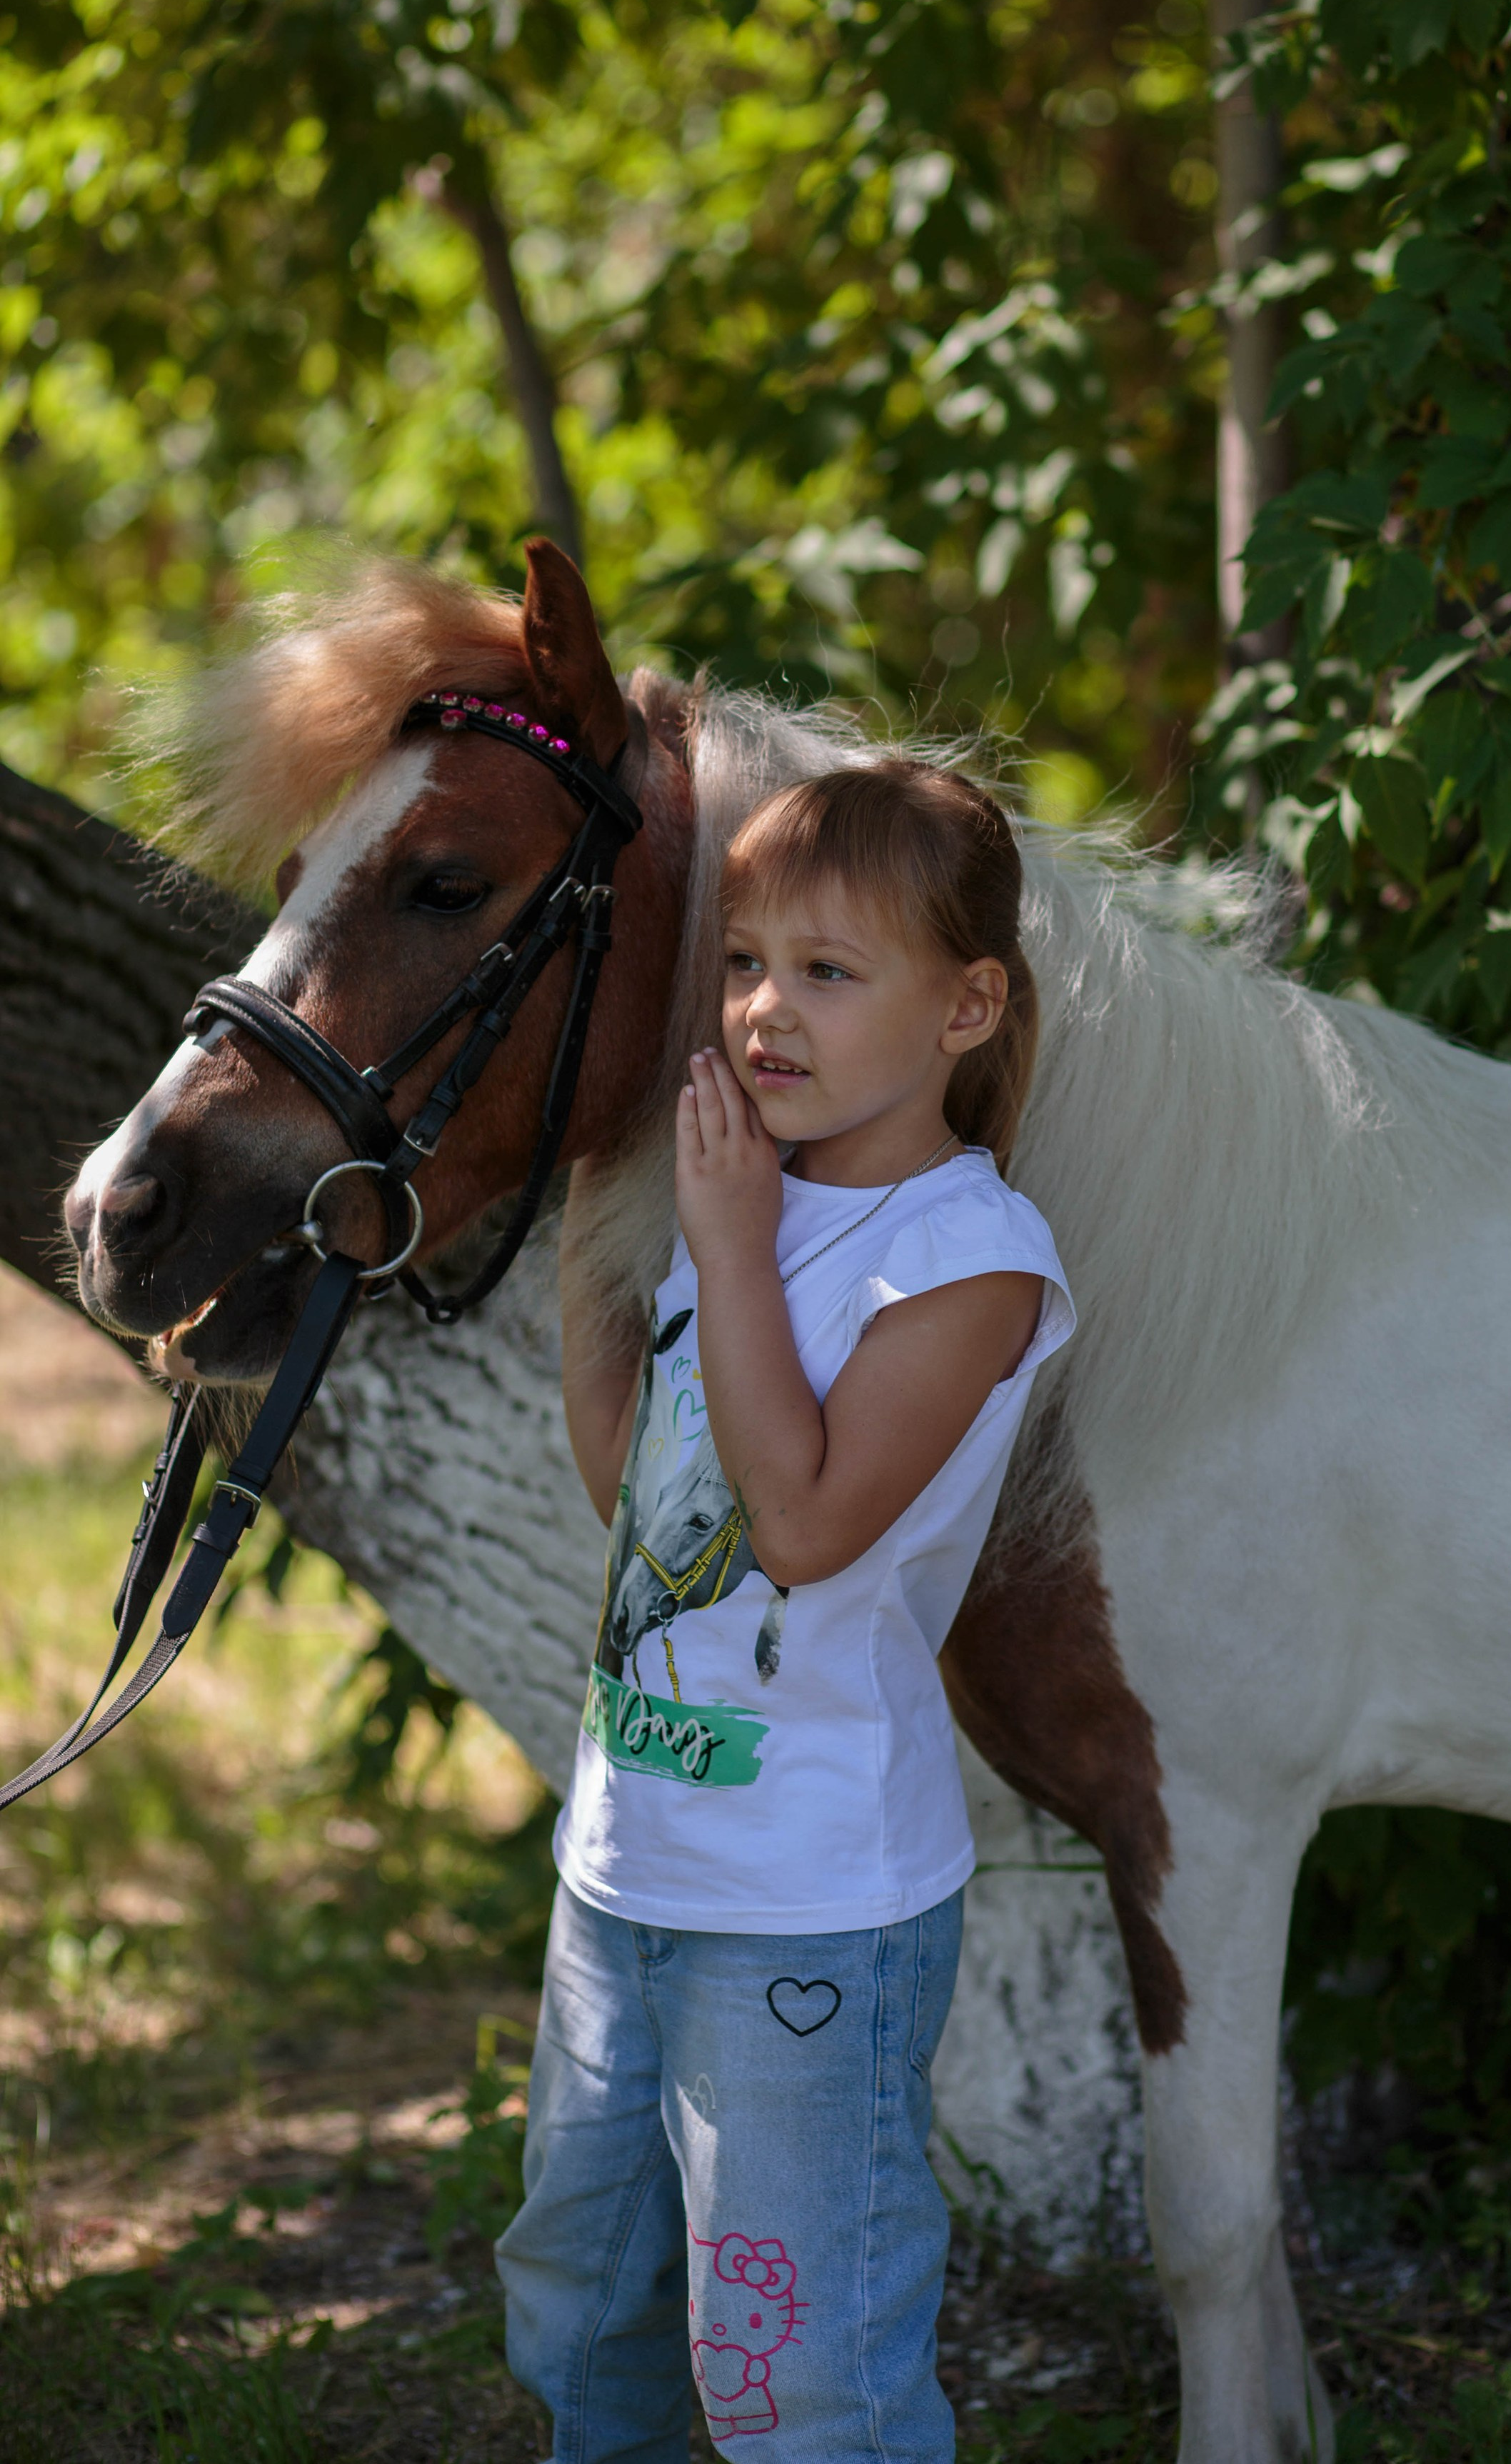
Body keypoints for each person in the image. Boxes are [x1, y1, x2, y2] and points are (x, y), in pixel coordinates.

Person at [497, 759, 1075, 2461]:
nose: (762, 1006)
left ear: (967, 1003)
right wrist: (604, 1246)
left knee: (792, 2366)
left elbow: (807, 1525)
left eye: (828, 970)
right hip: (627, 1864)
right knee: (578, 2308)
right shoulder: (736, 1190)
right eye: (745, 961)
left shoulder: (965, 1252)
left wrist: (727, 1245)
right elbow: (640, 1495)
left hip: (809, 1909)